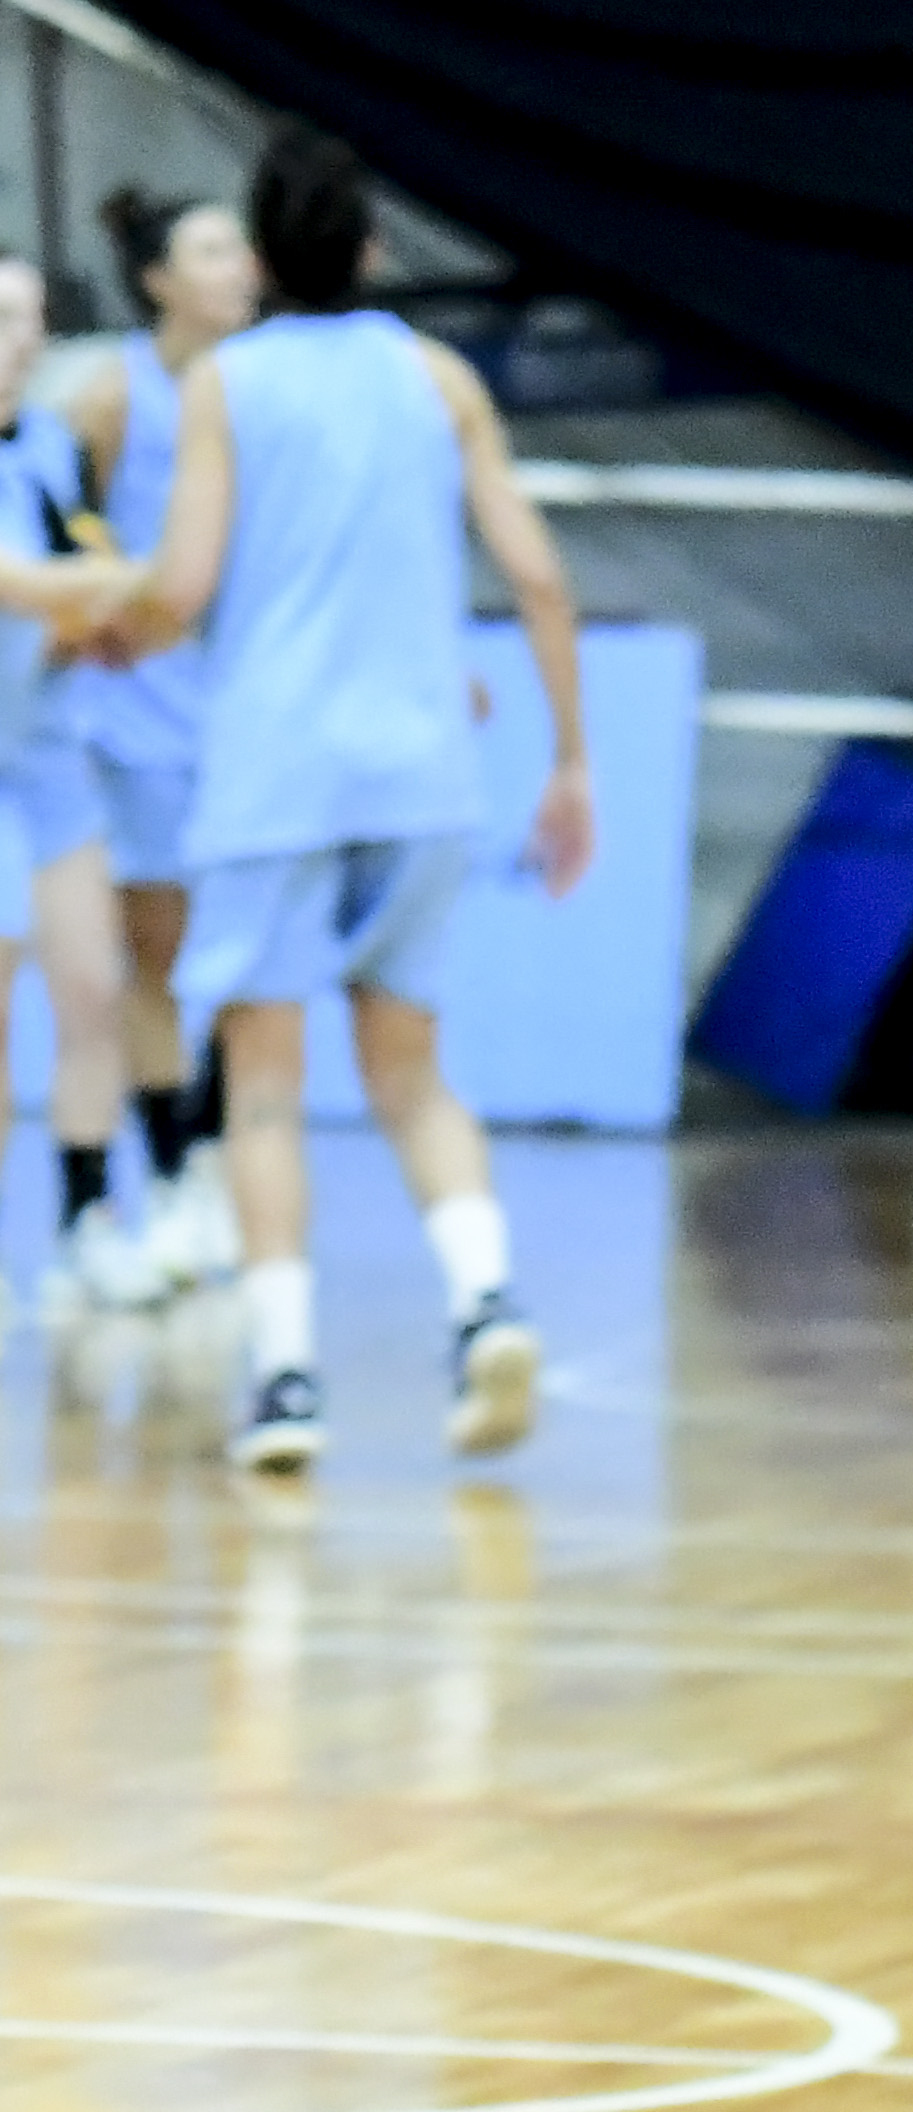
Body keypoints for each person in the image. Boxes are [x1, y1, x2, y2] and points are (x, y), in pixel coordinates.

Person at [108, 127, 592, 1471]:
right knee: (414, 1071)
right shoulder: (434, 377)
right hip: (421, 770)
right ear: (372, 246)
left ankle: (283, 1379)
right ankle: (485, 1296)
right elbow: (540, 577)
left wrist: (115, 626)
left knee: (264, 1087)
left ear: (258, 259)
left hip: (274, 775)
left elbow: (184, 584)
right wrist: (567, 756)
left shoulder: (226, 384)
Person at [64, 186, 260, 1290]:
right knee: (160, 963)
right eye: (213, 249)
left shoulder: (263, 396)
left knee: (245, 959)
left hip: (246, 723)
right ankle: (176, 1171)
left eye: (242, 247)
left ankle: (221, 1158)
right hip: (139, 727)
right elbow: (68, 534)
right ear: (159, 281)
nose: (238, 267)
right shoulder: (113, 399)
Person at [0, 255, 159, 1318]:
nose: (18, 337)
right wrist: (159, 583)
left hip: (48, 757)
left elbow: (73, 579)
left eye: (31, 319)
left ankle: (88, 1220)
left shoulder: (54, 449)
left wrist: (100, 628)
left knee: (93, 986)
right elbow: (23, 582)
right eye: (1, 315)